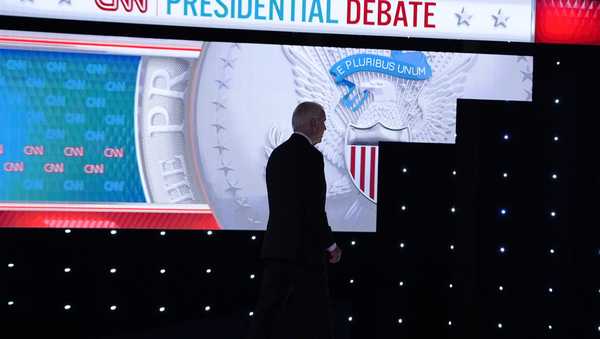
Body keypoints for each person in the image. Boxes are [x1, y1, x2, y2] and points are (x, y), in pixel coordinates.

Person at [247, 102, 343, 339]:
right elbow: (312, 209)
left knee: (267, 316)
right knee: (316, 318)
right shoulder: (311, 157)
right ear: (312, 123)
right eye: (323, 121)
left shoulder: (277, 154)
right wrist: (330, 244)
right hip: (304, 253)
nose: (325, 128)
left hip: (277, 248)